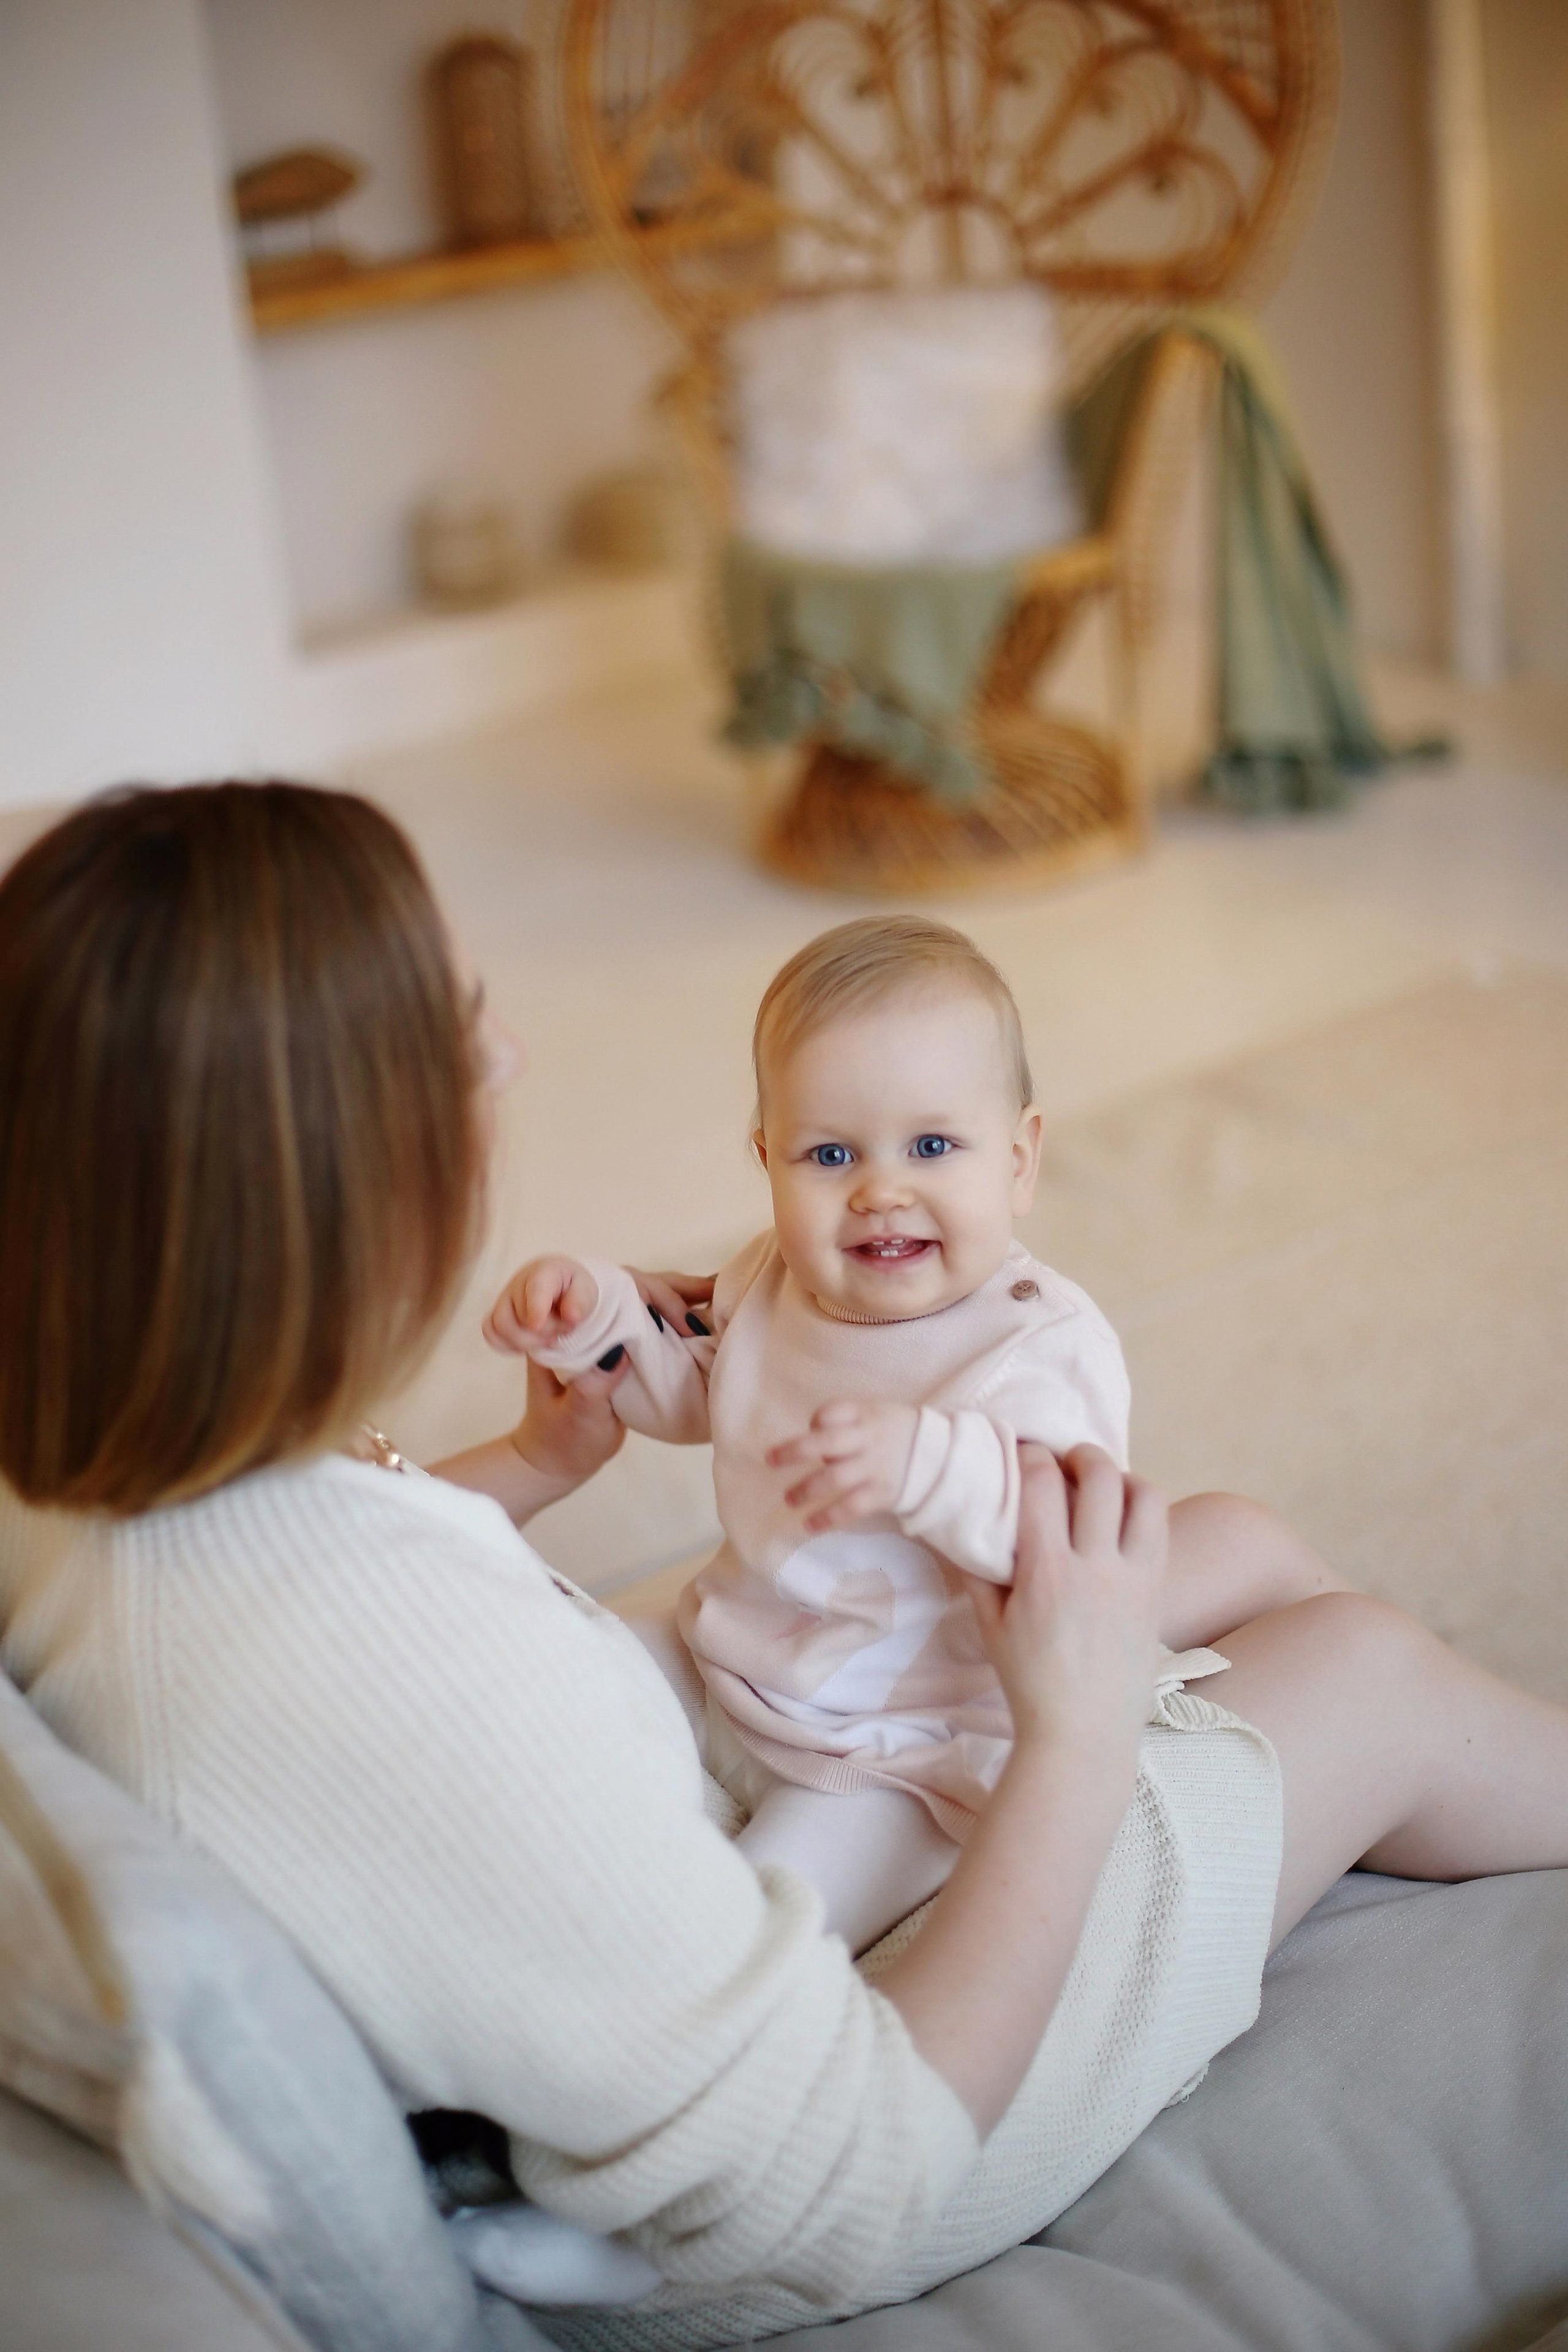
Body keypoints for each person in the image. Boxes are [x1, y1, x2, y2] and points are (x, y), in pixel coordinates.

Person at [1, 782, 1566, 2352]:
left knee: (1238, 1542)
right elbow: (834, 2173)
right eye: (460, 1028)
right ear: (334, 1171)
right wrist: (1082, 1735)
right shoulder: (415, 1699)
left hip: (854, 1687)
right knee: (1357, 1665)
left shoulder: (101, 1485)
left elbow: (434, 1505)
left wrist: (540, 1461)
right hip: (829, 2148)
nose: (511, 1056)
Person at [487, 917, 1340, 1953]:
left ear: (1021, 1160)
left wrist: (924, 1462)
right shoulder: (774, 1276)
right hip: (743, 1652)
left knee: (746, 1933)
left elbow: (1059, 1540)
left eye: (933, 1146)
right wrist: (604, 1326)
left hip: (906, 1742)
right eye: (830, 1153)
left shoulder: (1038, 1348)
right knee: (543, 1675)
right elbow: (705, 1396)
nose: (880, 1190)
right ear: (768, 1160)